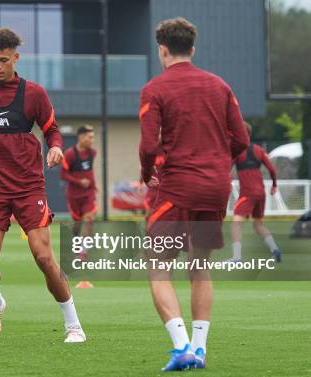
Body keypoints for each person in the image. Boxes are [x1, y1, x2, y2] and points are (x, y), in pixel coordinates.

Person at [138, 18, 249, 370]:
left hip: (178, 187)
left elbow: (146, 145)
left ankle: (182, 345)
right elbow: (242, 140)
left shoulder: (155, 89)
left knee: (157, 267)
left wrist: (146, 174)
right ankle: (199, 349)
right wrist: (219, 163)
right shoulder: (220, 85)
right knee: (200, 267)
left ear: (163, 49)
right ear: (193, 49)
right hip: (217, 187)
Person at [0, 28, 85, 343]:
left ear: (16, 58)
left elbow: (52, 130)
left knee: (44, 258)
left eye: (3, 60)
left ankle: (73, 324)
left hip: (28, 187)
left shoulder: (34, 93)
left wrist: (56, 147)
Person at [229, 122, 281, 263]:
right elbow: (271, 168)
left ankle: (237, 257)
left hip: (248, 193)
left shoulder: (237, 150)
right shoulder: (259, 150)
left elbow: (227, 168)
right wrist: (274, 185)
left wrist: (225, 180)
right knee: (258, 225)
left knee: (236, 223)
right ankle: (275, 249)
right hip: (261, 193)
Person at [60, 125, 97, 289]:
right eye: (90, 137)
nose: (92, 140)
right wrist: (78, 181)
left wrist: (93, 185)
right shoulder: (70, 154)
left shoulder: (92, 153)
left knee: (89, 219)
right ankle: (78, 246)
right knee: (77, 225)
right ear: (81, 138)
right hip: (74, 196)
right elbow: (63, 174)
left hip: (88, 195)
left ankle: (83, 253)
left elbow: (90, 172)